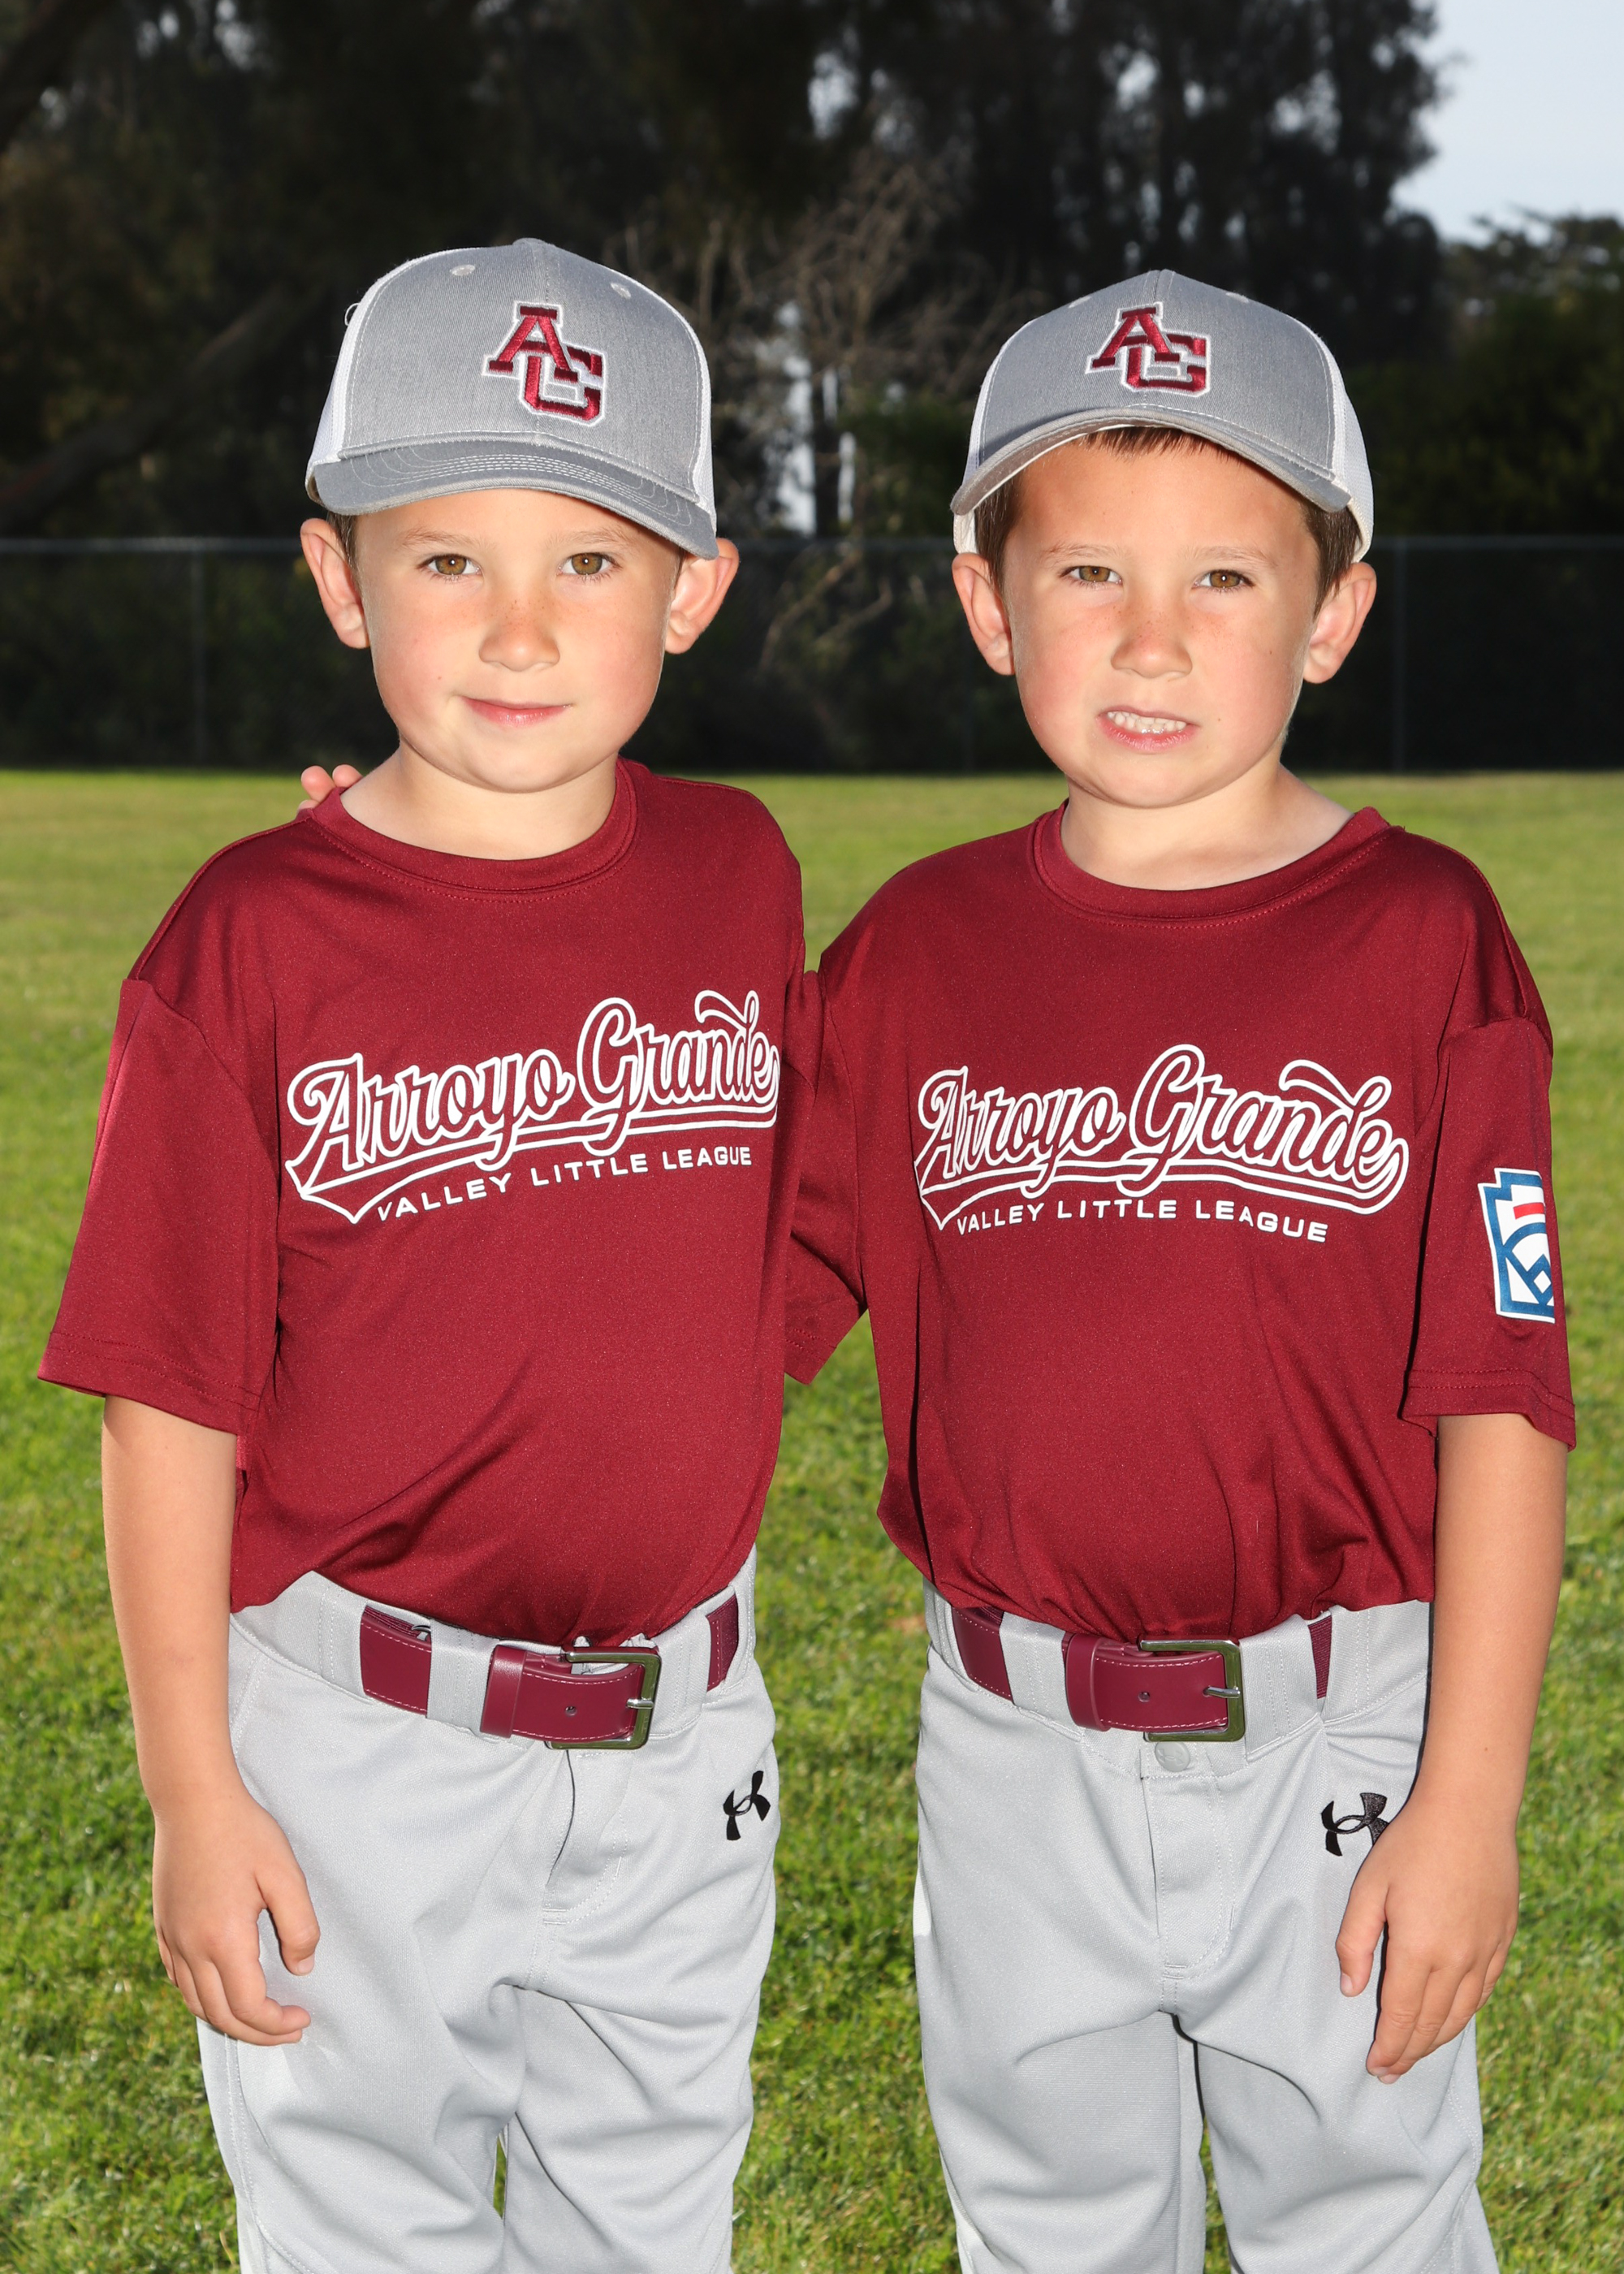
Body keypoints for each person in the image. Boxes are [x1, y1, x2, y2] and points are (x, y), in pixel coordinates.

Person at [41, 239, 819, 2274]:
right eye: (448, 558)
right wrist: (193, 1791)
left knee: (652, 2236)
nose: (520, 625)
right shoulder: (246, 941)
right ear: (341, 579)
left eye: (590, 558)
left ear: (693, 591)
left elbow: (790, 1230)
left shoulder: (738, 871)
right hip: (358, 1749)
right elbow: (166, 1400)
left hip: (678, 1738)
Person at [786, 272, 1573, 2272]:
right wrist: (457, 914)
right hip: (1010, 1739)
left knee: (1371, 2226)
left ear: (1332, 612)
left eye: (1224, 575)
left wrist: (1465, 1802)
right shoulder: (915, 952)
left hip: (1337, 1722)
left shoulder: (1425, 935)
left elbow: (1501, 1401)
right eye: (1088, 573)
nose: (1151, 639)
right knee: (1046, 2230)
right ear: (987, 604)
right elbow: (692, 1266)